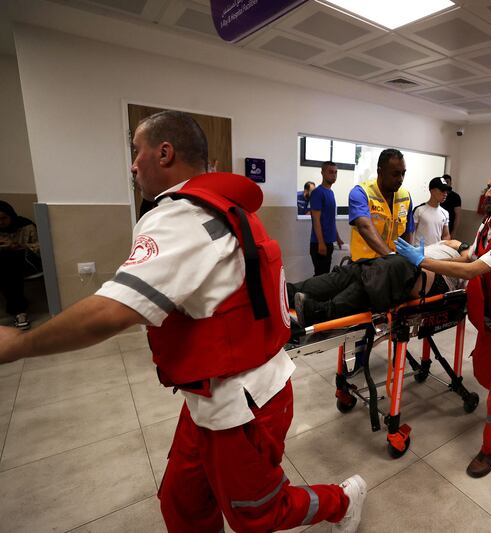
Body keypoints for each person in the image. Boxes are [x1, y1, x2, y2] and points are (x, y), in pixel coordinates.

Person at [0, 111, 366, 533]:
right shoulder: (226, 206)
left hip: (243, 401)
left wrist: (19, 345)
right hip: (216, 391)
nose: (133, 165)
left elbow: (114, 309)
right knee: (182, 503)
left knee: (257, 512)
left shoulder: (182, 216)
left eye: (137, 152)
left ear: (165, 152)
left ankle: (344, 500)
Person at [394, 166, 491, 478]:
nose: (488, 193)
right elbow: (467, 258)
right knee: (483, 376)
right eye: (488, 186)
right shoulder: (490, 225)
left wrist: (421, 261)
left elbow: (471, 270)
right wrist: (433, 254)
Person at [291, 240, 467, 326]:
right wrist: (461, 245)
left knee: (389, 269)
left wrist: (424, 260)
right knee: (358, 271)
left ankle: (321, 312)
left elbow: (467, 262)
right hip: (411, 263)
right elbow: (451, 241)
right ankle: (287, 293)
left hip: (438, 276)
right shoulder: (456, 242)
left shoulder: (477, 255)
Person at [348, 148, 414, 261]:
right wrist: (391, 257)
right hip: (363, 265)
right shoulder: (361, 193)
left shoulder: (405, 196)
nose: (401, 179)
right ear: (380, 172)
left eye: (403, 173)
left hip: (391, 265)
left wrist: (406, 258)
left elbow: (408, 232)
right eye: (395, 174)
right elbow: (365, 227)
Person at [0, 201, 42, 330]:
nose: (1, 222)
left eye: (4, 218)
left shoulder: (26, 226)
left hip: (29, 263)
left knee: (9, 259)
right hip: (8, 268)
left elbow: (41, 246)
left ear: (11, 216)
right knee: (6, 262)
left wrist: (21, 246)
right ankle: (19, 312)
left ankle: (19, 312)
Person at [309, 161, 344, 276]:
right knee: (320, 277)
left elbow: (330, 219)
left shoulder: (331, 193)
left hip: (329, 242)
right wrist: (321, 243)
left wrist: (337, 238)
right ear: (322, 173)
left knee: (324, 276)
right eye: (330, 172)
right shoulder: (317, 193)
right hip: (319, 244)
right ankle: (308, 294)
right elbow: (316, 220)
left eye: (335, 172)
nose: (334, 175)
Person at [412, 177, 451, 246]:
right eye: (442, 190)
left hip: (435, 253)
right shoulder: (419, 210)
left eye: (446, 191)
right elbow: (411, 232)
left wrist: (443, 248)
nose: (445, 194)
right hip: (419, 251)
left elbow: (446, 235)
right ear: (432, 190)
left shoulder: (445, 213)